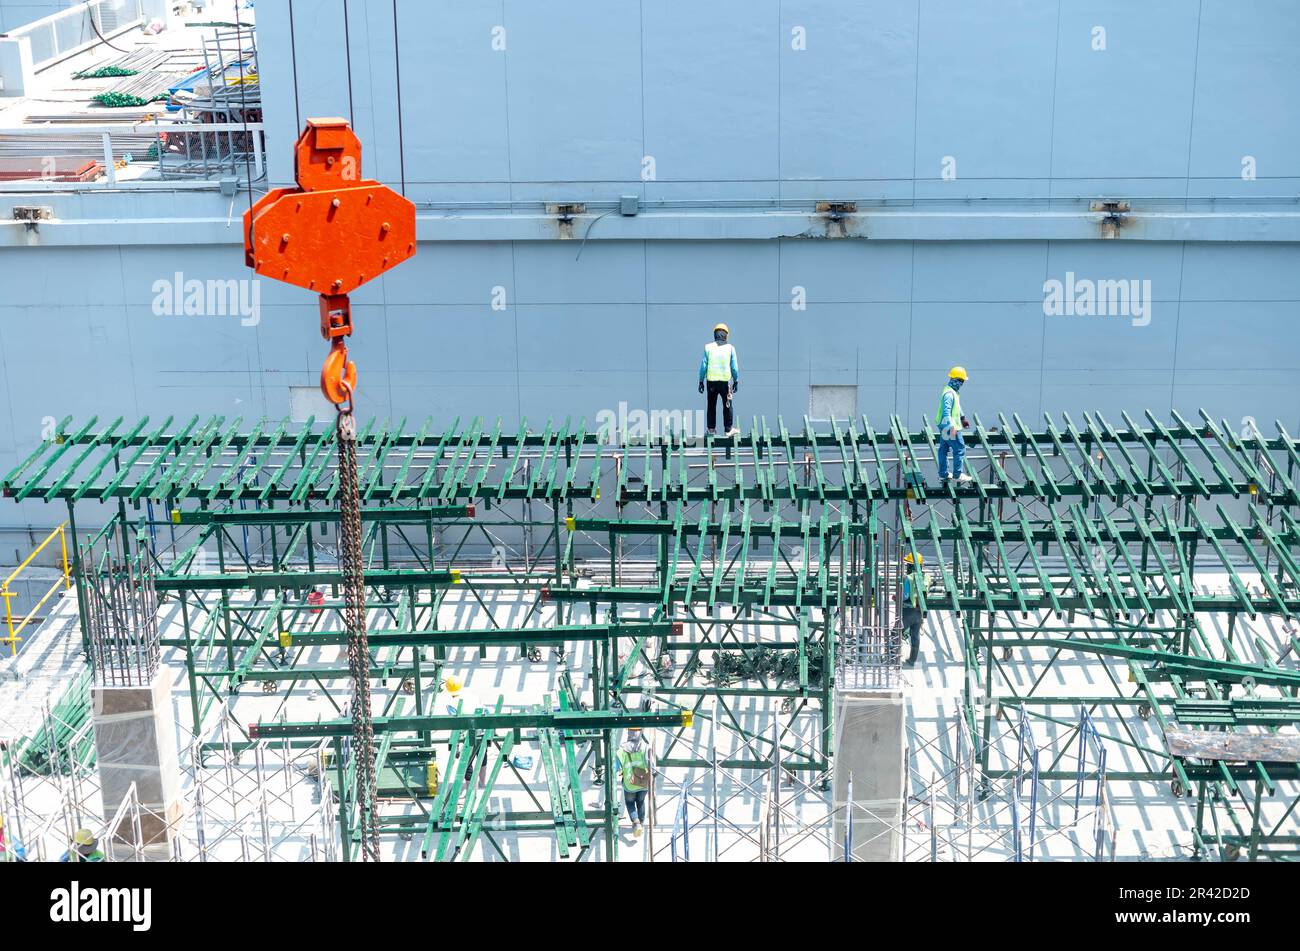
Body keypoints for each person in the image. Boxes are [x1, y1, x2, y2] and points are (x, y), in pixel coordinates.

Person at [698, 323, 740, 437]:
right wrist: (736, 381)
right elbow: (734, 367)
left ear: (715, 335)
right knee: (727, 405)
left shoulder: (708, 347)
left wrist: (701, 381)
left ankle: (711, 430)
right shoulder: (731, 348)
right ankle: (728, 429)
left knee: (711, 405)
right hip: (725, 382)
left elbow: (703, 366)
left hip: (711, 382)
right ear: (726, 335)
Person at [936, 365, 973, 485]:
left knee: (944, 449)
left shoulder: (952, 391)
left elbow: (957, 407)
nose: (962, 384)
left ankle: (943, 474)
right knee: (959, 448)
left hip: (945, 426)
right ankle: (957, 474)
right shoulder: (949, 394)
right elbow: (947, 411)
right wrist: (951, 426)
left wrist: (962, 418)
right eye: (961, 381)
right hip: (949, 427)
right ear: (955, 379)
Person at [616, 727, 652, 838]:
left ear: (629, 733)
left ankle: (636, 822)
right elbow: (651, 765)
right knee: (641, 802)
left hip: (630, 784)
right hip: (643, 781)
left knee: (630, 803)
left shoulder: (621, 750)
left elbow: (616, 768)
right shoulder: (645, 747)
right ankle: (641, 823)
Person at [900, 552, 926, 666]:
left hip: (908, 611)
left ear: (911, 566)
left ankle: (891, 657)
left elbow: (905, 596)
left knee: (895, 632)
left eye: (908, 565)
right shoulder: (926, 577)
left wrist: (896, 597)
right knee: (915, 636)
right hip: (919, 612)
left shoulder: (908, 578)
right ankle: (912, 660)